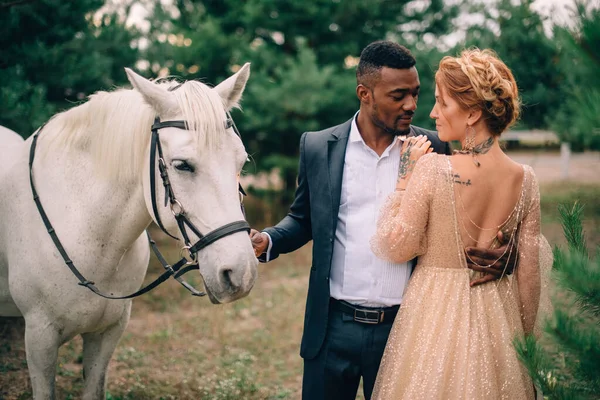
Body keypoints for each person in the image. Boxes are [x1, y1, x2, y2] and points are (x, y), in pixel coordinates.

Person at [250, 41, 516, 400]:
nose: (411, 105)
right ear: (365, 93)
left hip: (407, 329)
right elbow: (302, 219)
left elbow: (461, 222)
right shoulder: (318, 147)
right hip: (331, 328)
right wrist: (269, 240)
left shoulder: (436, 148)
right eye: (398, 95)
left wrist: (501, 252)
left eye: (416, 94)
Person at [370, 48, 551, 399]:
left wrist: (404, 179)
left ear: (471, 113)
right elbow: (529, 280)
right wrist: (522, 344)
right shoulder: (526, 179)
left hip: (433, 318)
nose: (433, 113)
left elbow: (396, 245)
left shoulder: (432, 169)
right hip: (499, 319)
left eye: (442, 103)